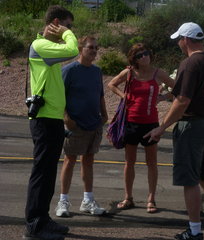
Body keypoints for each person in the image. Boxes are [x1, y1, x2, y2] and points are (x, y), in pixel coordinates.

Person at [145, 22, 204, 240]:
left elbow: (183, 100)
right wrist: (167, 96)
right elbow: (198, 92)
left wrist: (162, 127)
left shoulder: (189, 63)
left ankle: (195, 231)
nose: (179, 43)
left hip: (192, 126)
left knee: (190, 180)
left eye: (179, 39)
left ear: (186, 40)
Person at [24, 5, 79, 240]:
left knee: (47, 173)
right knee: (42, 172)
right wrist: (65, 32)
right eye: (68, 24)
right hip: (44, 120)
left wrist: (61, 33)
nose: (70, 30)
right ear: (56, 23)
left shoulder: (49, 48)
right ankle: (35, 224)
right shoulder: (41, 45)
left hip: (52, 119)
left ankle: (43, 219)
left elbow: (68, 52)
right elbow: (74, 49)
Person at [108, 43, 174, 214]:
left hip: (150, 124)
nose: (144, 57)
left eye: (146, 53)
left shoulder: (158, 73)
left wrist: (163, 97)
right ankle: (128, 197)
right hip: (130, 122)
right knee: (129, 162)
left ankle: (151, 199)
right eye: (139, 55)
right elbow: (112, 84)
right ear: (134, 59)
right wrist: (124, 97)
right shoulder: (129, 72)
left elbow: (178, 88)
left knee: (151, 163)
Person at [54, 36, 108, 218]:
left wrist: (105, 114)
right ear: (80, 48)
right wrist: (66, 117)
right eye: (90, 47)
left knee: (89, 161)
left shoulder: (96, 71)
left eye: (96, 48)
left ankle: (88, 200)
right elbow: (59, 96)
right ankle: (63, 201)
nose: (94, 51)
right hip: (75, 125)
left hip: (94, 123)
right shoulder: (69, 70)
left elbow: (100, 95)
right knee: (70, 160)